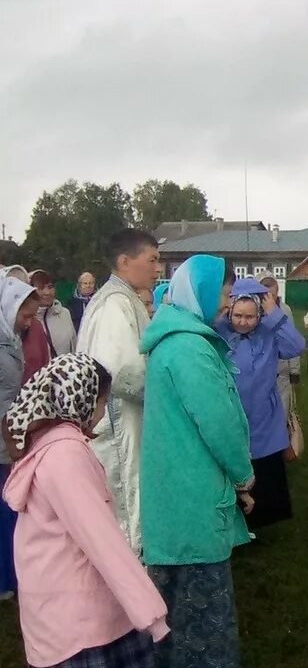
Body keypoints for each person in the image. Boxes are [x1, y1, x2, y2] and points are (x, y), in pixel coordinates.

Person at [2, 354, 169, 668]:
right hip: (84, 624)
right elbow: (102, 540)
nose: (103, 412)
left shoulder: (43, 445)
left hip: (55, 616)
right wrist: (151, 614)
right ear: (80, 399)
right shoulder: (66, 456)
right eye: (102, 402)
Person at [140, 255, 252, 668]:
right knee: (201, 628)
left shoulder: (175, 339)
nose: (228, 302)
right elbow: (219, 423)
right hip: (192, 505)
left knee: (175, 619)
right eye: (224, 291)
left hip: (174, 500)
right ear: (204, 290)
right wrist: (243, 474)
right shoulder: (189, 348)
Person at [76, 228, 159, 555]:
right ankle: (133, 587)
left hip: (127, 419)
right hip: (117, 426)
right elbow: (125, 371)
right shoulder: (115, 304)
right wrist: (168, 388)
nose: (157, 269)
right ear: (125, 261)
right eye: (151, 260)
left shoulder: (125, 299)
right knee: (126, 507)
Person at [216, 278, 305, 528]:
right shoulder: (220, 332)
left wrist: (274, 314)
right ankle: (234, 520)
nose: (243, 322)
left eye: (250, 316)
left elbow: (296, 346)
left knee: (263, 466)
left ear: (259, 315)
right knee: (234, 463)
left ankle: (263, 519)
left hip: (264, 415)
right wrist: (220, 319)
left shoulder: (269, 332)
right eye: (239, 315)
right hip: (232, 414)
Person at [0, 277, 38, 602]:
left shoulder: (9, 338)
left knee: (8, 510)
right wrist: (11, 441)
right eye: (25, 315)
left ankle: (12, 577)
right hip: (2, 439)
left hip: (8, 433)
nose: (29, 323)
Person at [259, 277, 302, 451]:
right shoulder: (252, 310)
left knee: (282, 414)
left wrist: (294, 369)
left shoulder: (284, 310)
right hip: (261, 374)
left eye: (273, 294)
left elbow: (292, 338)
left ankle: (279, 449)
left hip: (281, 372)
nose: (269, 297)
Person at [29, 270, 76, 357]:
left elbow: (73, 346)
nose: (47, 292)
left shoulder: (65, 314)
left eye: (50, 287)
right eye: (41, 288)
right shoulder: (27, 319)